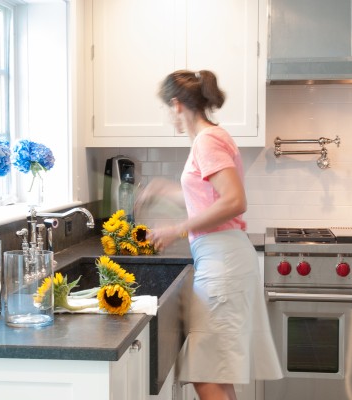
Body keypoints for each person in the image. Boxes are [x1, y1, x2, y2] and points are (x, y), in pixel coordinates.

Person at [135, 70, 283, 400]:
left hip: (223, 265)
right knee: (216, 374)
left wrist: (176, 229)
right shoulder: (214, 137)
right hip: (223, 259)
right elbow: (210, 196)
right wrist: (168, 191)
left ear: (176, 105)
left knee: (206, 375)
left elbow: (234, 201)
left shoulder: (206, 141)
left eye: (167, 109)